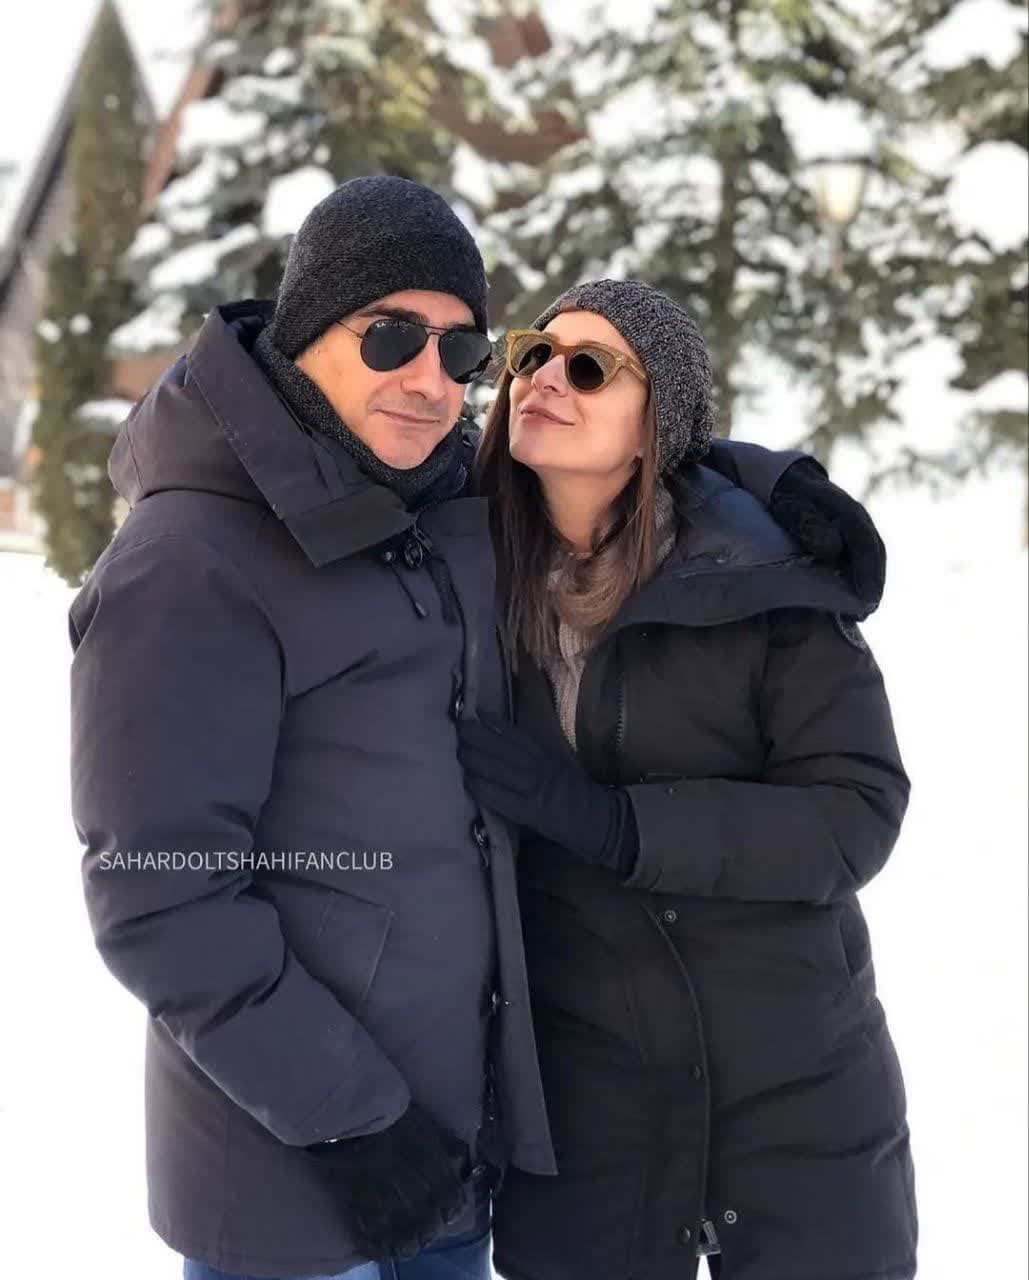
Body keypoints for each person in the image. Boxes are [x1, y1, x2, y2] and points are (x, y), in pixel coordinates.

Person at [69, 177, 892, 1280]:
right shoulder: (190, 563)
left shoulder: (433, 503)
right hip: (295, 1178)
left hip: (457, 1158)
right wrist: (349, 1121)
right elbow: (161, 891)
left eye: (461, 351)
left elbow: (612, 471)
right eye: (390, 335)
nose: (430, 380)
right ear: (307, 328)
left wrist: (764, 483)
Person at [458, 279, 917, 1280]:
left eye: (590, 368)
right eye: (533, 353)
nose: (545, 379)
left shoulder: (765, 583)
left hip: (794, 1085)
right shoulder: (461, 574)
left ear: (654, 424)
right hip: (587, 1101)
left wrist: (621, 827)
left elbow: (854, 814)